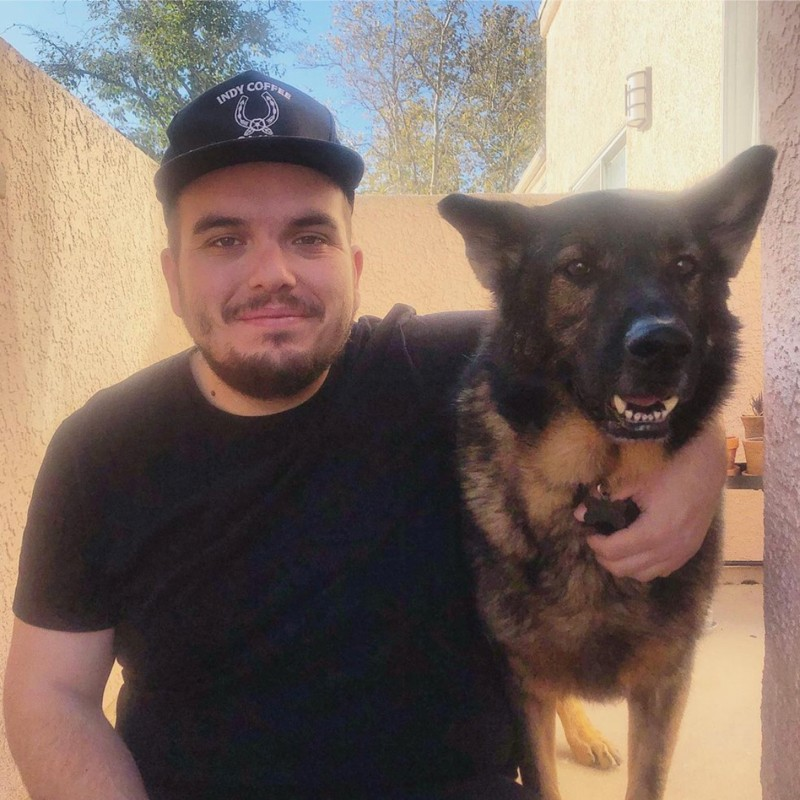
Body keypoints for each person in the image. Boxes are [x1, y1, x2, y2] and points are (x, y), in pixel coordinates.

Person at [3, 72, 725, 800]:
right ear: (173, 276)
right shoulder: (100, 451)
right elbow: (49, 695)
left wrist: (699, 455)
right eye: (224, 239)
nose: (272, 273)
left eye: (308, 236)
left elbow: (619, 355)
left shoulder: (445, 371)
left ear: (352, 265)